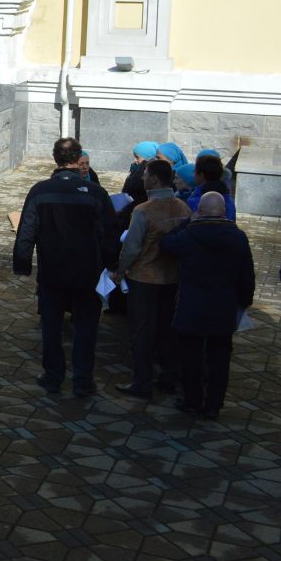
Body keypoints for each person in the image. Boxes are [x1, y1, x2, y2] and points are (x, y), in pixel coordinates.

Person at [13, 137, 119, 398]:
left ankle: (53, 376)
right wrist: (112, 265)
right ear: (78, 158)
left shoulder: (40, 191)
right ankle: (83, 380)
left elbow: (26, 230)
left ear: (55, 158)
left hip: (52, 270)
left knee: (52, 327)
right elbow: (109, 233)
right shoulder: (94, 192)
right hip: (87, 271)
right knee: (86, 327)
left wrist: (22, 265)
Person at [160, 193, 256, 421]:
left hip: (192, 305)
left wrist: (188, 221)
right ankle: (214, 404)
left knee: (190, 356)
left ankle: (192, 400)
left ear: (200, 211)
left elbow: (166, 244)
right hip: (223, 305)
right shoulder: (238, 237)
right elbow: (247, 274)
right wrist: (244, 302)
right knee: (220, 358)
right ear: (223, 212)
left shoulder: (188, 235)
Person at [115, 159, 190, 399]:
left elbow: (131, 248)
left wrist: (120, 271)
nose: (142, 177)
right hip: (171, 278)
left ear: (155, 179)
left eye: (146, 174)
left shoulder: (143, 210)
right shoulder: (183, 208)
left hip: (144, 278)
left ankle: (142, 381)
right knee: (167, 330)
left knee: (141, 331)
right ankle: (169, 376)